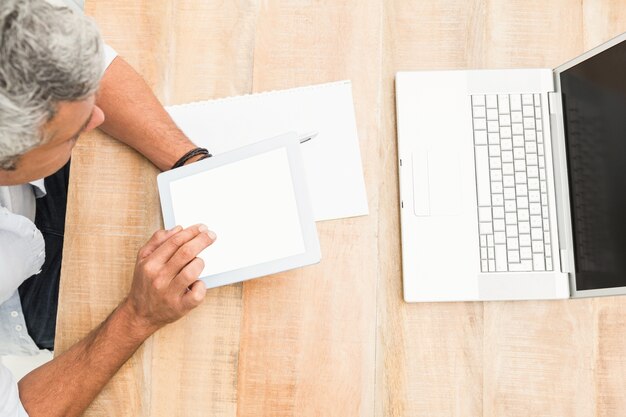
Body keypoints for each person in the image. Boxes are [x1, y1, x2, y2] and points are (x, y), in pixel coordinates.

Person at [0, 1, 216, 415]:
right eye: (72, 135)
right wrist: (139, 315)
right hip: (19, 301)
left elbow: (83, 62)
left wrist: (188, 162)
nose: (98, 116)